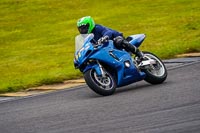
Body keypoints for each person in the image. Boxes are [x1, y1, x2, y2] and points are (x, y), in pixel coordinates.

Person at [77, 16, 144, 60]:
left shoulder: (97, 28)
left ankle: (139, 54)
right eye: (80, 29)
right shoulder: (87, 37)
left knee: (118, 41)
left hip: (114, 39)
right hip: (106, 47)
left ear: (90, 24)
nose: (83, 30)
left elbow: (107, 32)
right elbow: (87, 45)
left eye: (84, 27)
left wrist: (105, 37)